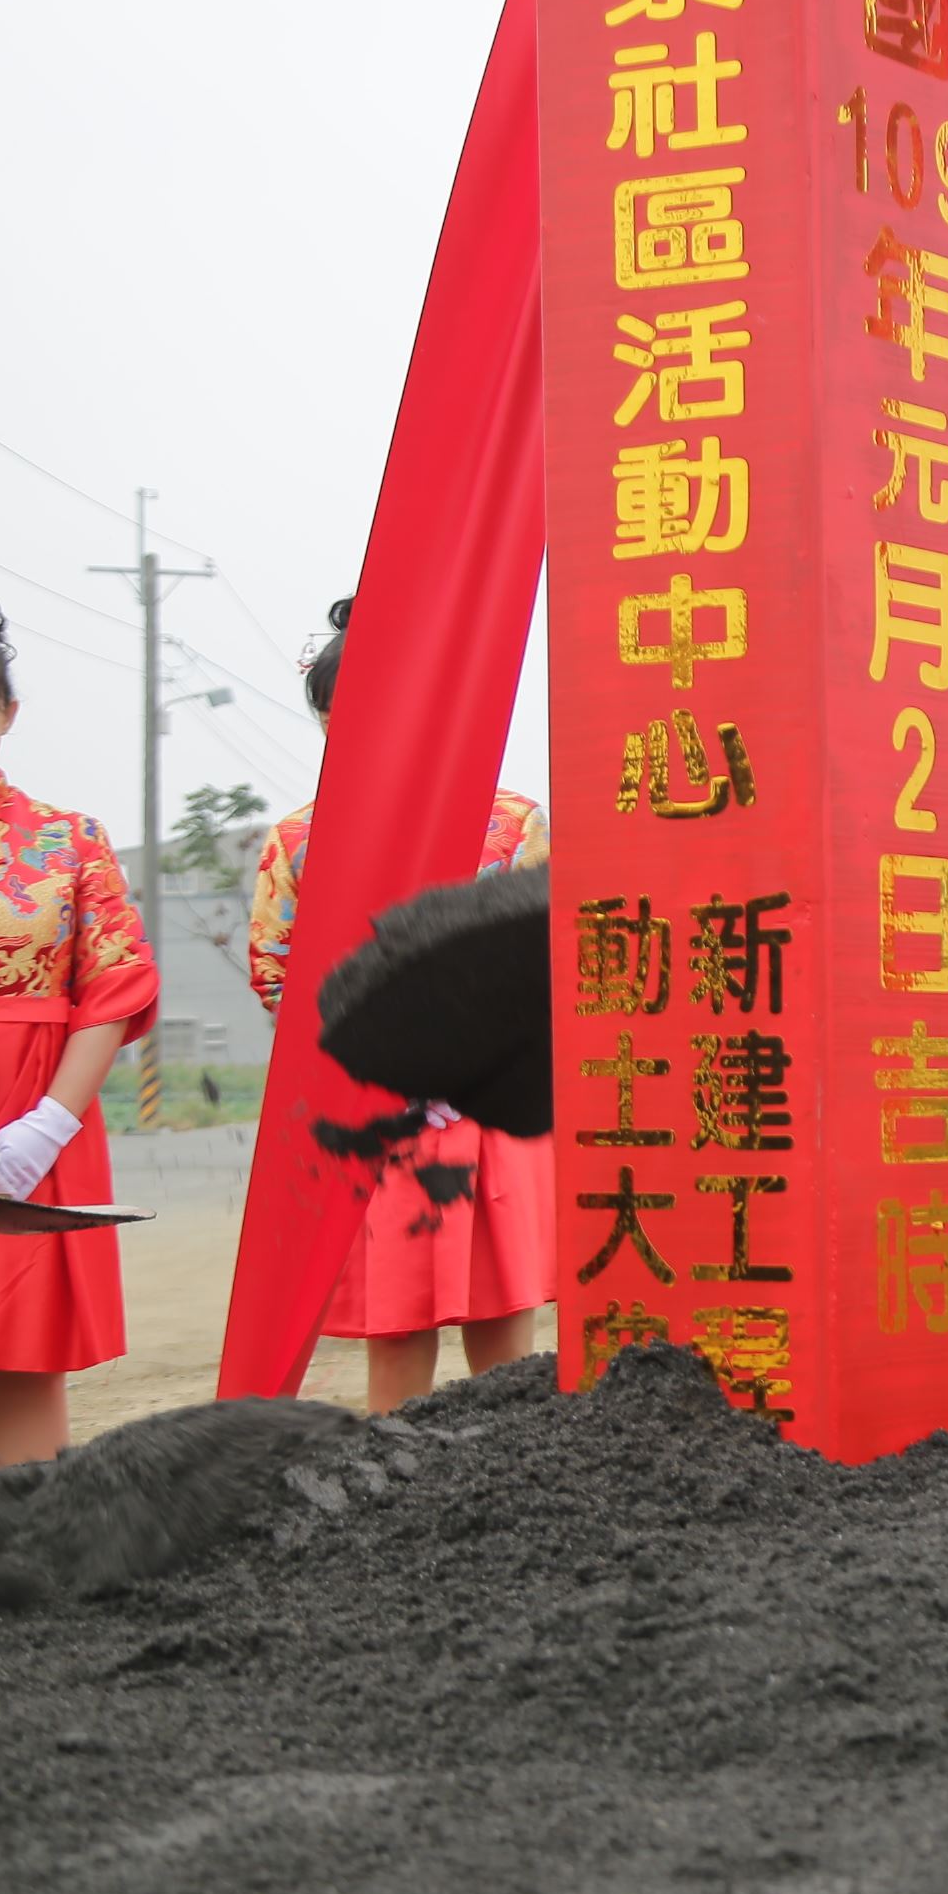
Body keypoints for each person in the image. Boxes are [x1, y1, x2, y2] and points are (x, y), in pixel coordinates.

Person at [247, 599, 554, 1413]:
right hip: (379, 1111)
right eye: (336, 718)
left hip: (494, 1110)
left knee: (506, 1341)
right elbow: (277, 974)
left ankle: (520, 1492)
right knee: (399, 1338)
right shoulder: (299, 840)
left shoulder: (514, 824)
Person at [0, 584, 157, 1469]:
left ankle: (25, 1574)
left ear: (8, 713)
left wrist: (46, 1128)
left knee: (29, 1366)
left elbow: (115, 986)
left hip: (35, 1122)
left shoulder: (69, 840)